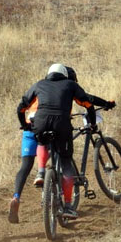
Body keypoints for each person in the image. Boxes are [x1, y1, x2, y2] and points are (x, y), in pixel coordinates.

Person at [17, 64, 115, 219]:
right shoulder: (70, 85)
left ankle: (41, 172)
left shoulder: (40, 84)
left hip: (39, 124)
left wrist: (24, 125)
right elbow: (88, 102)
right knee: (66, 163)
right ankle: (68, 206)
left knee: (42, 143)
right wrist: (93, 121)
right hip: (61, 125)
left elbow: (20, 107)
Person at [9, 66, 83, 224]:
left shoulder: (41, 87)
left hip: (31, 127)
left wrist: (24, 124)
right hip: (52, 126)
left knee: (26, 165)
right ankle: (62, 199)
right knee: (62, 159)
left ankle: (17, 196)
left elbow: (23, 106)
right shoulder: (66, 89)